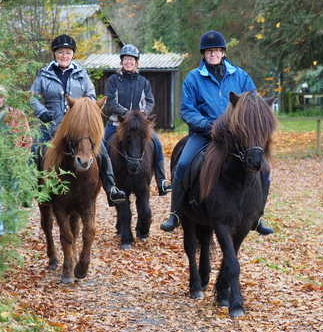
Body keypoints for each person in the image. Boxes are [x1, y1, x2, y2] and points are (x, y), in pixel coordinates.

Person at [160, 30, 275, 235]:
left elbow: (254, 104)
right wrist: (208, 126)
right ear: (203, 54)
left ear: (223, 52)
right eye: (208, 51)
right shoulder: (193, 78)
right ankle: (175, 213)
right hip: (203, 134)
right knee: (183, 165)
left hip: (237, 138)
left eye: (217, 50)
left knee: (264, 169)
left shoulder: (240, 75)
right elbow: (187, 110)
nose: (213, 54)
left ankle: (257, 217)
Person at [29, 34, 126, 206]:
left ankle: (111, 188)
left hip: (79, 128)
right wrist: (42, 111)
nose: (64, 56)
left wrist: (83, 110)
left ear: (72, 54)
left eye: (67, 52)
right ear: (54, 54)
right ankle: (29, 189)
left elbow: (91, 97)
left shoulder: (81, 73)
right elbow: (32, 97)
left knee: (101, 149)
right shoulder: (44, 74)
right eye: (60, 52)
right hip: (51, 125)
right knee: (35, 148)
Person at [104, 44, 172, 196]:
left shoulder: (143, 82)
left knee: (157, 143)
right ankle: (107, 183)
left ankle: (162, 180)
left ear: (136, 62)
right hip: (117, 123)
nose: (129, 62)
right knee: (101, 144)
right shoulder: (113, 80)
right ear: (122, 61)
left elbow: (150, 102)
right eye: (126, 59)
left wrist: (140, 116)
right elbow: (110, 102)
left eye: (132, 59)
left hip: (139, 126)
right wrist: (127, 115)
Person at [0, 86, 32, 235]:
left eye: (2, 96)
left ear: (7, 97)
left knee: (12, 197)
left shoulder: (18, 115)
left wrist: (21, 158)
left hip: (13, 162)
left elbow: (27, 139)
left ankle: (11, 230)